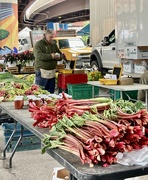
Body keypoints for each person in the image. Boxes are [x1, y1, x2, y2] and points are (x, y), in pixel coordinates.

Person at [33, 29, 63, 93]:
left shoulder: (54, 45)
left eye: (53, 37)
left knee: (51, 92)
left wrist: (59, 57)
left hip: (51, 72)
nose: (52, 39)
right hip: (41, 71)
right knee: (41, 91)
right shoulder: (38, 44)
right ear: (45, 35)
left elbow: (60, 55)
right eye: (50, 37)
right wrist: (51, 56)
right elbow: (39, 56)